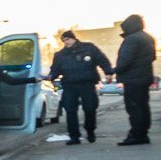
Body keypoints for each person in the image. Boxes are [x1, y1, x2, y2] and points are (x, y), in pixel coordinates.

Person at [45, 30, 112, 145]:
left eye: (68, 39)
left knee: (90, 108)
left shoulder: (89, 48)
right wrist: (49, 77)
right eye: (64, 40)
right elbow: (55, 70)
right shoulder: (60, 55)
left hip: (87, 83)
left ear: (74, 38)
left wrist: (108, 72)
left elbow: (102, 60)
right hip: (70, 85)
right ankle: (74, 136)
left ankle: (90, 130)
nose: (66, 42)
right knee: (70, 110)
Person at [108, 14, 156, 146]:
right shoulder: (148, 37)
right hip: (144, 77)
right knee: (143, 106)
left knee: (134, 107)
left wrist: (115, 70)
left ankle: (136, 135)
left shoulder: (132, 39)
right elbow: (152, 57)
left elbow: (125, 60)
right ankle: (143, 133)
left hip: (133, 79)